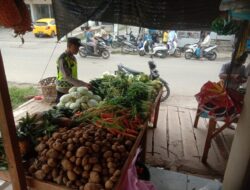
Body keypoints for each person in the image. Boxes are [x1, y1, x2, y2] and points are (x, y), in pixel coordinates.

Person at [56, 37, 90, 102]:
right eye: (76, 47)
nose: (78, 49)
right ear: (70, 46)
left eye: (78, 47)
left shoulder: (72, 57)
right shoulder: (62, 59)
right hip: (63, 90)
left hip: (71, 88)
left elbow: (73, 74)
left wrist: (81, 85)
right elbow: (67, 77)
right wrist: (83, 84)